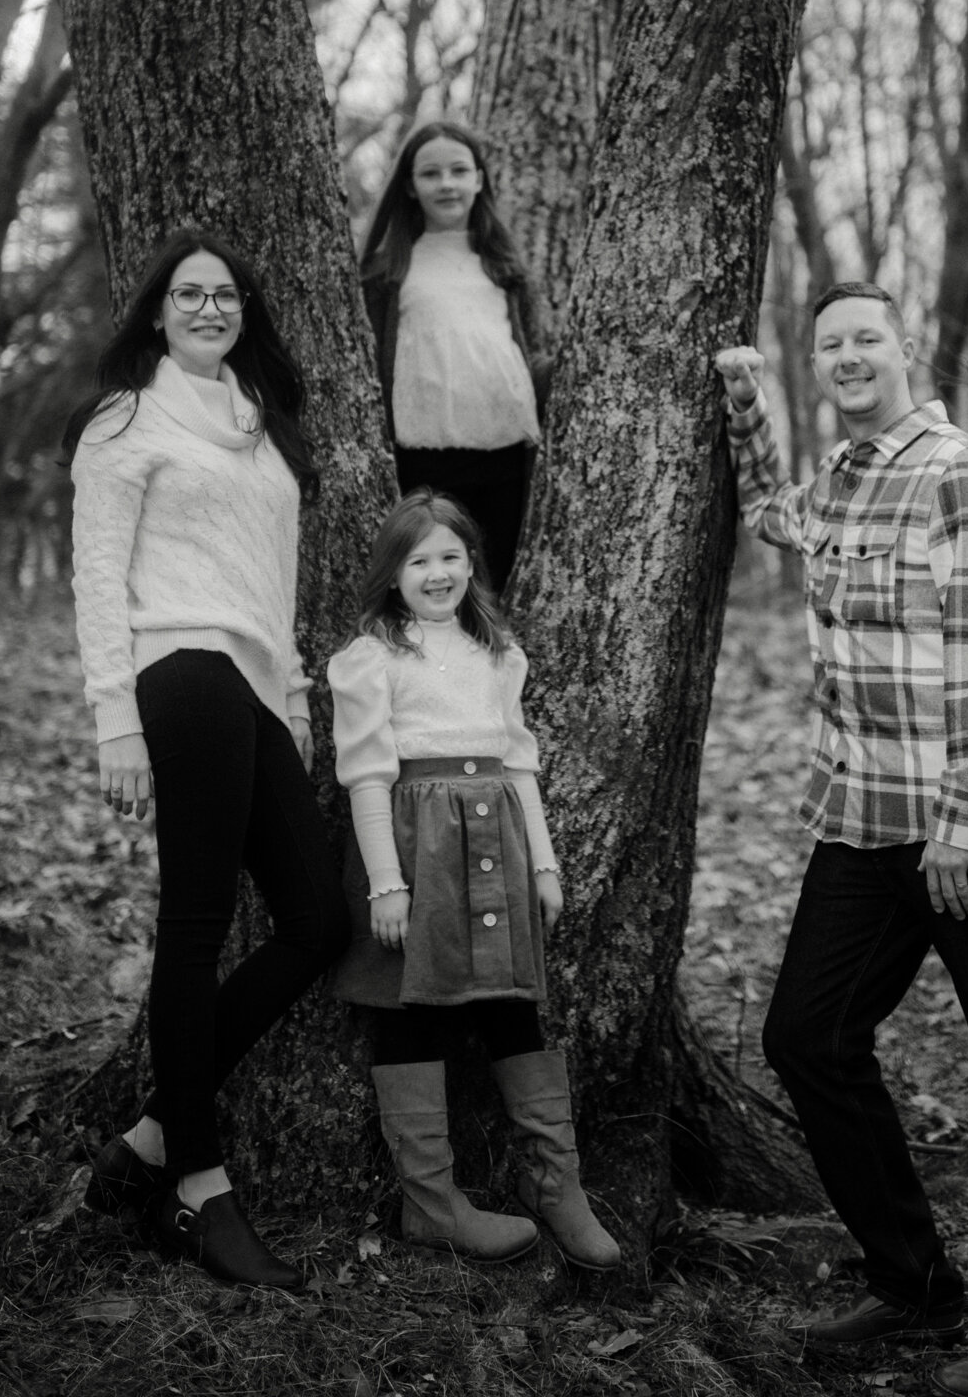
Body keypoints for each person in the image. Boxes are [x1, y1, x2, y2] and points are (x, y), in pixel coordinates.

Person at [714, 283, 968, 1397]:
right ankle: (914, 1280)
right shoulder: (840, 483)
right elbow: (764, 514)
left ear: (905, 350)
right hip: (862, 821)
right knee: (806, 1036)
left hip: (965, 832)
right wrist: (745, 401)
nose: (847, 356)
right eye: (830, 341)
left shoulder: (960, 472)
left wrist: (966, 821)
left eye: (864, 339)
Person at [65, 228, 349, 1291]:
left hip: (255, 688)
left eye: (225, 294)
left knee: (319, 918)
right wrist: (114, 721)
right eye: (187, 292)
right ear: (154, 311)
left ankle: (147, 1139)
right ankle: (199, 1184)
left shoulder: (261, 429)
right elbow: (99, 578)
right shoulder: (123, 422)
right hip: (176, 677)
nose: (207, 306)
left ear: (245, 311)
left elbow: (270, 584)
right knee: (193, 920)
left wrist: (293, 700)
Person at [328, 488, 619, 1270]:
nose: (437, 572)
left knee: (511, 999)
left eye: (450, 556)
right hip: (415, 845)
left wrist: (546, 865)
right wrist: (385, 883)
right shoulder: (373, 658)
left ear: (470, 564)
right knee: (411, 1002)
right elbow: (364, 778)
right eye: (418, 559)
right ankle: (432, 1205)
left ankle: (555, 1184)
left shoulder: (497, 653)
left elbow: (519, 766)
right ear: (393, 574)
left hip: (497, 838)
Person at [360, 120, 548, 593]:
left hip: (506, 455)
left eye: (459, 170)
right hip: (424, 459)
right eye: (431, 174)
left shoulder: (504, 267)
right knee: (436, 583)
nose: (447, 183)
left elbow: (526, 358)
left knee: (497, 585)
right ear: (409, 185)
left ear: (479, 179)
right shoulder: (389, 270)